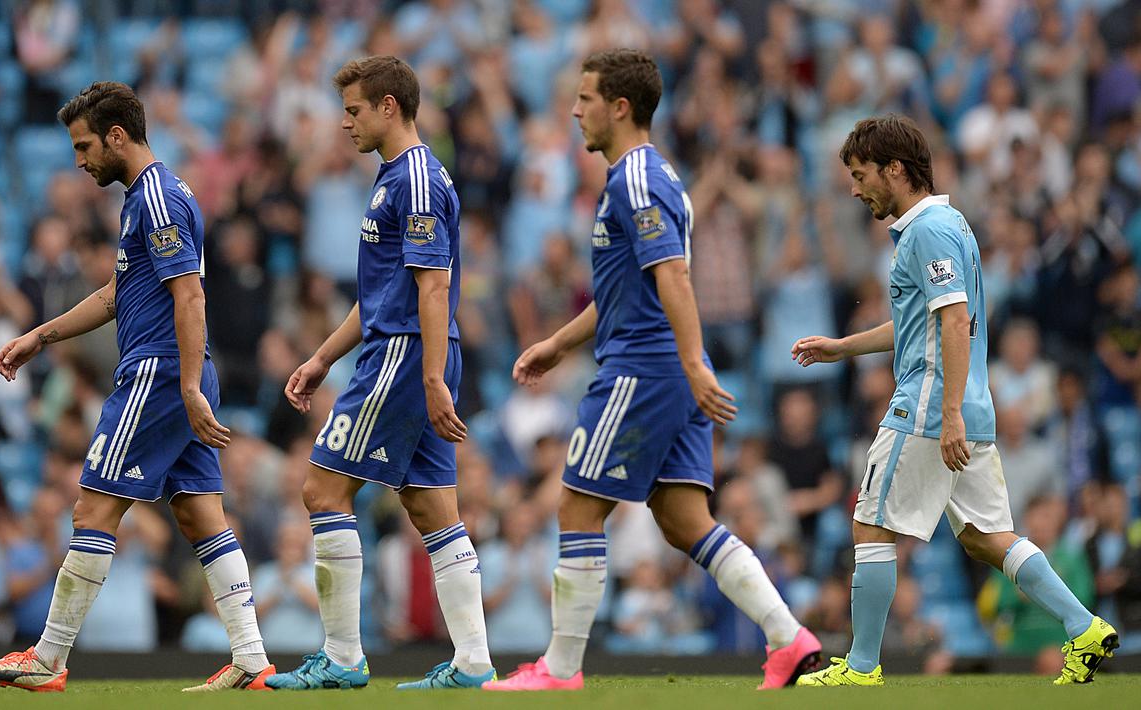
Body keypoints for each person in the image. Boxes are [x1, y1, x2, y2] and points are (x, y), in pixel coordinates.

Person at [484, 49, 821, 692]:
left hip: (645, 367)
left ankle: (559, 670)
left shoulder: (636, 179)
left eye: (584, 99)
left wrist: (690, 363)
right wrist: (558, 342)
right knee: (683, 518)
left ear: (619, 107)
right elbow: (628, 288)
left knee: (578, 507)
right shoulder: (648, 176)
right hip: (666, 364)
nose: (574, 110)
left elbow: (673, 275)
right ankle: (790, 639)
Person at [0, 82, 273, 693]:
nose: (80, 161)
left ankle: (47, 659)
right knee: (201, 515)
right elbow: (116, 294)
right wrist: (40, 336)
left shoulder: (155, 199)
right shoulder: (149, 196)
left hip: (158, 371)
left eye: (84, 147)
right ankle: (253, 660)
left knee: (93, 508)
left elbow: (190, 295)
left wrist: (184, 384)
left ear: (118, 136)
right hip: (176, 370)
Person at [791, 114, 1118, 687]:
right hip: (968, 405)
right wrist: (842, 348)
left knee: (870, 524)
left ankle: (862, 666)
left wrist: (944, 417)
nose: (855, 188)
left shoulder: (929, 231)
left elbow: (954, 321)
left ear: (896, 169)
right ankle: (1084, 626)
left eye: (861, 174)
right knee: (982, 537)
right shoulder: (947, 225)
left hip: (928, 404)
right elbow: (918, 323)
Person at [266, 56, 495, 692]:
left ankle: (341, 657)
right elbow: (382, 291)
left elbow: (434, 283)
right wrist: (320, 357)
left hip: (403, 355)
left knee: (322, 491)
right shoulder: (396, 177)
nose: (345, 123)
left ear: (388, 107)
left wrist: (427, 376)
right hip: (408, 348)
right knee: (430, 505)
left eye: (354, 110)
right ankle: (474, 663)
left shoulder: (415, 179)